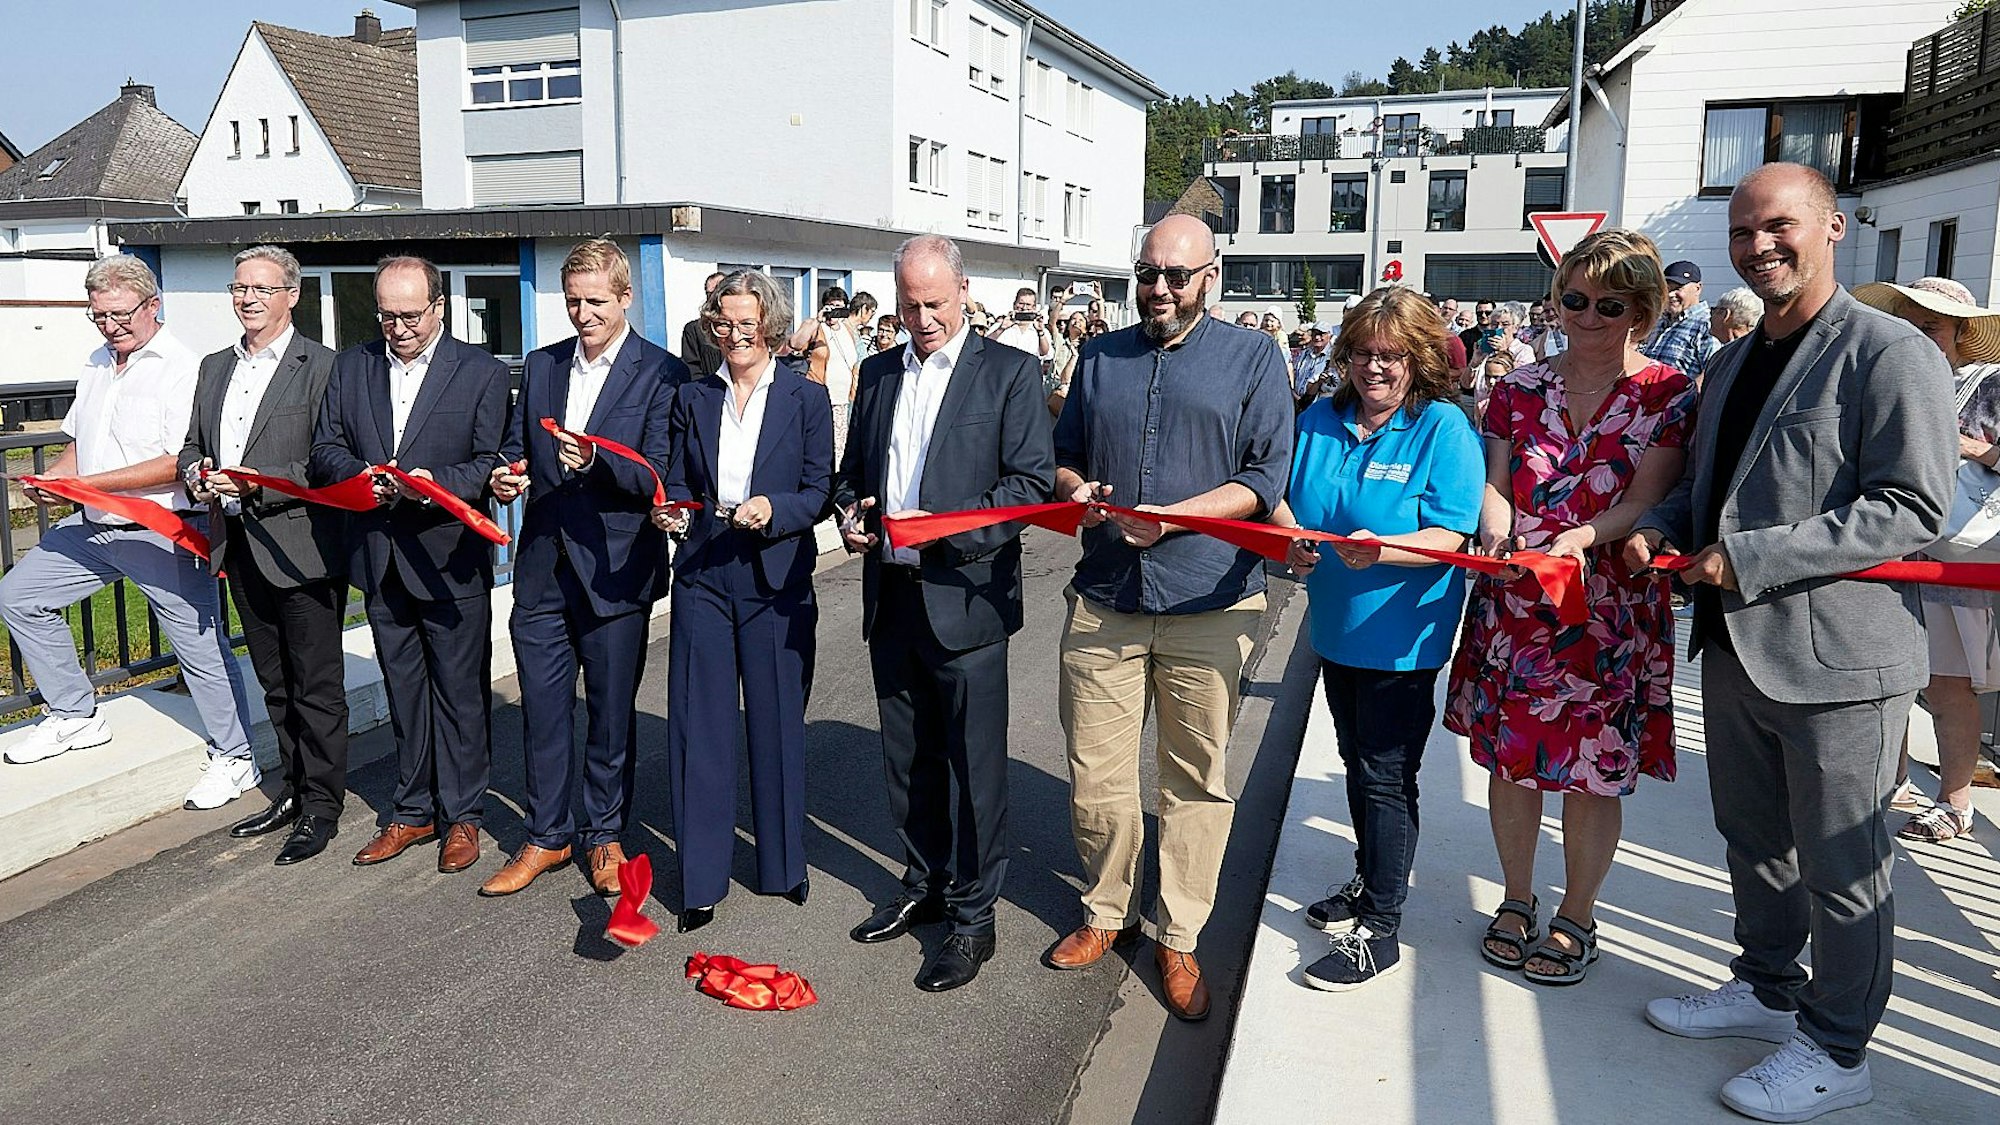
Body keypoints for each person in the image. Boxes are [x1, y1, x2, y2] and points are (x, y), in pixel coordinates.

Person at [1624, 163, 1955, 1123]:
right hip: (1734, 646)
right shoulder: (1728, 362)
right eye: (1741, 231)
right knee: (1755, 840)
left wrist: (1749, 556)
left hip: (1841, 662)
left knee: (1843, 865)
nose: (1758, 245)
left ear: (1833, 227)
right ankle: (1768, 988)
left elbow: (1913, 508)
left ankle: (1839, 1047)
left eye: (1778, 225)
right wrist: (1667, 527)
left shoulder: (1889, 352)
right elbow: (1714, 488)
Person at [1047, 214, 1293, 1022]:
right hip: (1106, 594)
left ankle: (1178, 932)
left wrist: (1176, 517)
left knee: (1193, 779)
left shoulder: (1255, 358)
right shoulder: (1099, 355)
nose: (1157, 288)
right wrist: (1075, 487)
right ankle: (1107, 911)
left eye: (1175, 276)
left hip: (1209, 600)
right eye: (1147, 273)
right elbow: (1065, 453)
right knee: (1099, 771)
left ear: (1210, 277)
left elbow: (1264, 475)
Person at [1445, 229, 1697, 988]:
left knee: (1595, 772)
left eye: (1608, 303)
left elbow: (1648, 499)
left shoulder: (1668, 393)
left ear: (1642, 311)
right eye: (1575, 299)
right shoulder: (1517, 389)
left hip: (1606, 609)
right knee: (1513, 765)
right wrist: (1496, 526)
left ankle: (1578, 913)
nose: (1586, 315)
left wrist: (1582, 534)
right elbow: (1493, 483)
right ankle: (1516, 898)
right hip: (1517, 604)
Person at [834, 234, 1055, 993]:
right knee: (907, 759)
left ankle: (973, 917)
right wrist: (850, 516)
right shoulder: (875, 372)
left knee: (973, 769)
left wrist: (941, 525)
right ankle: (923, 882)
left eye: (934, 303)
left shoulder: (1011, 373)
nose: (922, 318)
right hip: (891, 595)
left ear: (964, 292)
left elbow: (1028, 486)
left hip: (966, 601)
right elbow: (853, 475)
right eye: (908, 304)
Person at [1277, 287, 1483, 989]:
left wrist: (1385, 549)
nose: (1375, 367)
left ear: (1419, 359)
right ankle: (1370, 883)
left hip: (1403, 635)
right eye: (1363, 352)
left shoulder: (1444, 428)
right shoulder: (1320, 419)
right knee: (1357, 758)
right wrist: (1293, 546)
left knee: (1385, 773)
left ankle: (1383, 926)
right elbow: (1295, 510)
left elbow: (1452, 533)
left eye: (1392, 355)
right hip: (1336, 627)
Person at [0, 256, 257, 811]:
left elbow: (175, 461)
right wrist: (59, 481)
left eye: (119, 315)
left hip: (162, 529)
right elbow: (78, 442)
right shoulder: (97, 362)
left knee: (200, 650)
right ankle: (74, 715)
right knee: (19, 596)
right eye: (98, 316)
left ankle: (235, 757)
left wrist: (90, 482)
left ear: (152, 304)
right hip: (93, 525)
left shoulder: (183, 367)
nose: (110, 326)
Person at [479, 240, 682, 898]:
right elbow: (516, 447)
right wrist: (506, 477)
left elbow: (658, 470)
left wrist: (596, 459)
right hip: (541, 566)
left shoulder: (662, 373)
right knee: (542, 710)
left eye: (596, 300)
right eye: (573, 300)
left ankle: (604, 835)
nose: (583, 313)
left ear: (625, 297)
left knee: (610, 715)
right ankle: (546, 834)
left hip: (617, 566)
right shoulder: (541, 365)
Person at [310, 255, 512, 875]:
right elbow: (325, 449)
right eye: (387, 315)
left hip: (449, 557)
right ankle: (413, 809)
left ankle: (465, 816)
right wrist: (363, 477)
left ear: (439, 307)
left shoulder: (479, 371)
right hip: (380, 554)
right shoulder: (353, 366)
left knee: (460, 694)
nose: (397, 326)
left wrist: (436, 484)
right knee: (405, 690)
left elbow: (494, 459)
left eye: (410, 316)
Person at [659, 270, 831, 931]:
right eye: (720, 322)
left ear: (772, 328)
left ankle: (784, 864)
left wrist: (776, 508)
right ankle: (700, 880)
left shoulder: (805, 398)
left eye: (744, 323)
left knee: (776, 720)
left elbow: (819, 487)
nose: (731, 334)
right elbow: (676, 479)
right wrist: (671, 511)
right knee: (699, 726)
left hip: (775, 572)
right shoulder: (693, 395)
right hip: (705, 567)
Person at [176, 246, 349, 860]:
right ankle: (294, 791)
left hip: (301, 545)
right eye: (239, 288)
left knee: (315, 685)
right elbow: (193, 444)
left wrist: (258, 479)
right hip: (237, 542)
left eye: (262, 289)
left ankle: (323, 806)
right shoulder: (213, 366)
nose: (248, 299)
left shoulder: (324, 366)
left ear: (291, 296)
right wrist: (196, 469)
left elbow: (329, 460)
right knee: (274, 682)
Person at [1852, 276, 2000, 839]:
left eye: (1931, 325)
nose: (1917, 334)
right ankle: (1890, 781)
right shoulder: (1878, 374)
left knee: (1945, 684)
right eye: (1908, 321)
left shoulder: (1987, 385)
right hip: (1882, 548)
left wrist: (1962, 445)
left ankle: (1956, 796)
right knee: (1881, 677)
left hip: (1948, 555)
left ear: (1961, 334)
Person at [1642, 259, 1720, 383]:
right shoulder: (1659, 322)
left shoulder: (1708, 325)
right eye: (1667, 288)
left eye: (1678, 288)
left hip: (1681, 401)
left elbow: (1715, 374)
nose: (1670, 294)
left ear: (1698, 288)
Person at [679, 270, 726, 381]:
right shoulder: (694, 330)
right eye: (709, 293)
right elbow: (691, 369)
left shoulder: (742, 328)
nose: (712, 297)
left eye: (717, 291)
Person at [1048, 310, 1086, 417]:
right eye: (1073, 319)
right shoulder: (1060, 342)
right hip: (1055, 389)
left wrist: (1100, 302)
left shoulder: (1087, 346)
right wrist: (1062, 300)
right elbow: (1052, 323)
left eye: (1081, 320)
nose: (1076, 322)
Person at [1292, 323, 1335, 408]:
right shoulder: (1304, 353)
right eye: (1315, 334)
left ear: (1329, 335)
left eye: (1321, 334)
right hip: (1297, 403)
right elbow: (1294, 373)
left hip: (1319, 405)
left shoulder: (1332, 356)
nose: (1317, 337)